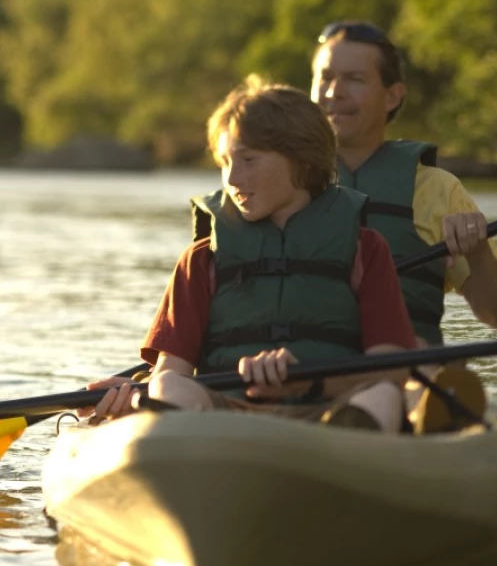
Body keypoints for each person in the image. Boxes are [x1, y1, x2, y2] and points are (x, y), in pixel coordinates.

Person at [87, 77, 417, 431]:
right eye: (226, 162)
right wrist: (138, 398)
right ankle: (176, 447)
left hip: (327, 411)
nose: (232, 179)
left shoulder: (365, 249)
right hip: (226, 415)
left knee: (383, 393)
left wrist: (307, 381)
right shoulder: (201, 259)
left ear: (301, 158)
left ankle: (354, 450)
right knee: (168, 385)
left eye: (248, 159)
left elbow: (393, 369)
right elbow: (172, 371)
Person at [311, 21, 497, 344]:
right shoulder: (270, 181)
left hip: (406, 378)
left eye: (354, 79)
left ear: (393, 96)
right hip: (300, 374)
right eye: (324, 78)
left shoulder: (437, 189)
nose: (334, 91)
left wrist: (478, 254)